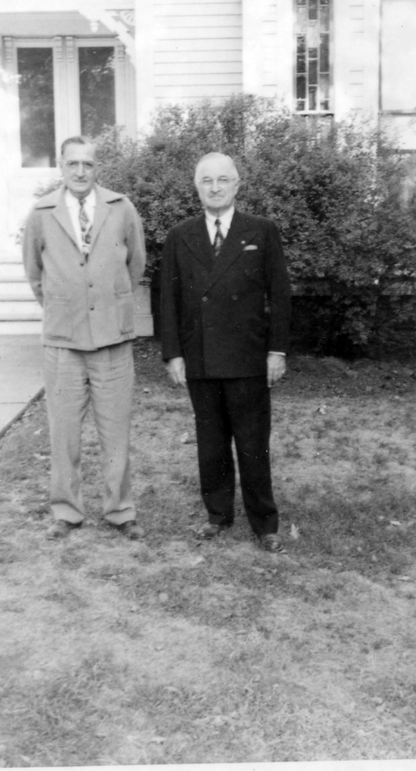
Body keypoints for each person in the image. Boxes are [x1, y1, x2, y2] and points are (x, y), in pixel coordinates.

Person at [160, 152, 291, 552]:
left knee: (252, 441)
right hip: (199, 356)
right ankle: (218, 514)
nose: (214, 188)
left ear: (237, 185)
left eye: (222, 180)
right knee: (211, 440)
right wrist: (173, 354)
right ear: (196, 187)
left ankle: (264, 523)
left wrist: (277, 351)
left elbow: (280, 296)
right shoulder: (179, 235)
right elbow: (168, 299)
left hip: (248, 357)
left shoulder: (262, 231)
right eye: (206, 181)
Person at [22, 136, 146, 540]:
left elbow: (135, 264)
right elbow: (35, 274)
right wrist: (65, 306)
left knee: (116, 430)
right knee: (63, 432)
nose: (80, 171)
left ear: (97, 168)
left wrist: (108, 306)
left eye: (87, 164)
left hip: (112, 341)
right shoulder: (41, 212)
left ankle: (120, 511)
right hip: (63, 342)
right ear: (60, 165)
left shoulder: (121, 208)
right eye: (72, 163)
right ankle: (67, 511)